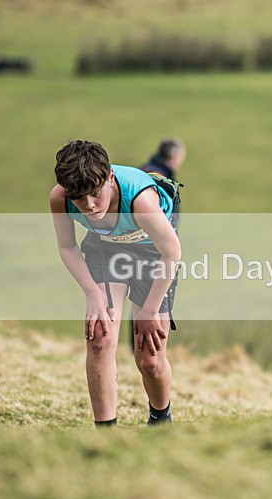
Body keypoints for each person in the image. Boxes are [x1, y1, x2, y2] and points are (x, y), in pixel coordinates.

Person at [49, 140, 181, 426]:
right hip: (106, 247)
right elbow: (67, 247)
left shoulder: (140, 201)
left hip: (153, 252)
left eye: (95, 194)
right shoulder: (60, 198)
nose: (89, 206)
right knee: (99, 337)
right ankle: (106, 433)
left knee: (150, 358)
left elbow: (172, 253)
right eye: (79, 198)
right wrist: (92, 293)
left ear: (109, 177)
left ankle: (160, 420)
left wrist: (149, 311)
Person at [128, 137, 186, 350]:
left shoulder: (144, 170)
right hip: (152, 251)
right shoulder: (160, 178)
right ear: (174, 157)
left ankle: (137, 346)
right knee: (149, 300)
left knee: (140, 302)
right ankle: (142, 347)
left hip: (136, 245)